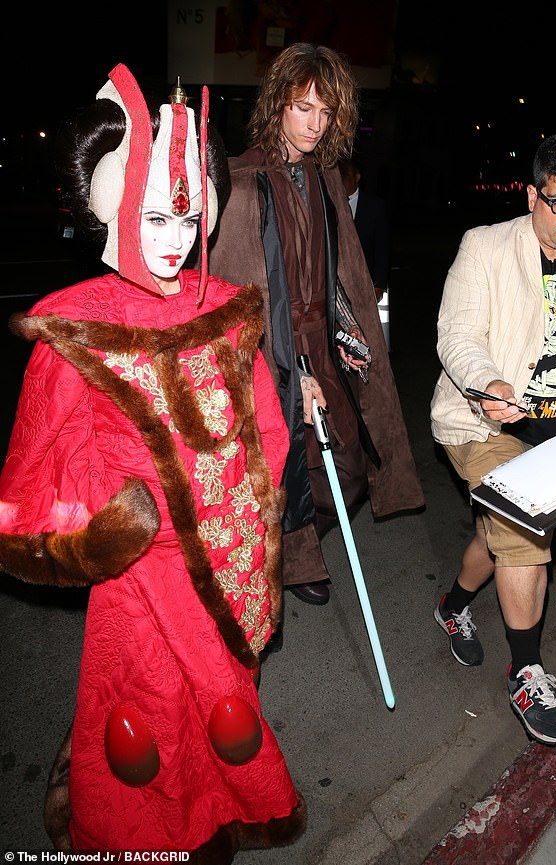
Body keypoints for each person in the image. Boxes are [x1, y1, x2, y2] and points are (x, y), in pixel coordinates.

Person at [0, 64, 305, 860]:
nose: (176, 241)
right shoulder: (78, 326)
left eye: (187, 217)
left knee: (221, 705)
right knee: (143, 716)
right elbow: (40, 463)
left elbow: (262, 432)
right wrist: (108, 526)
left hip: (219, 565)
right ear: (116, 211)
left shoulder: (226, 307)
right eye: (157, 218)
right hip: (137, 576)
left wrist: (252, 519)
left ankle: (213, 818)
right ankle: (137, 838)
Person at [430, 129, 556, 746]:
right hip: (483, 423)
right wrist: (486, 382)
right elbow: (456, 332)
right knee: (523, 535)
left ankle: (451, 607)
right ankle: (526, 673)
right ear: (531, 196)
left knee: (497, 533)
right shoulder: (485, 247)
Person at [209, 43, 424, 614]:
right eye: (304, 108)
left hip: (322, 344)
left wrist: (350, 335)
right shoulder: (244, 181)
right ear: (278, 103)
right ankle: (286, 560)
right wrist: (286, 370)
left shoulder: (325, 178)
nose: (315, 124)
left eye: (326, 112)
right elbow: (243, 289)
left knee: (348, 462)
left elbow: (342, 272)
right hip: (269, 347)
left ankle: (290, 550)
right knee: (280, 465)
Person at [339, 157, 390, 301]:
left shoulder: (375, 207)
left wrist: (379, 283)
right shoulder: (330, 203)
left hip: (364, 279)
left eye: (345, 175)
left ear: (357, 177)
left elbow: (382, 247)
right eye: (339, 175)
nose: (341, 180)